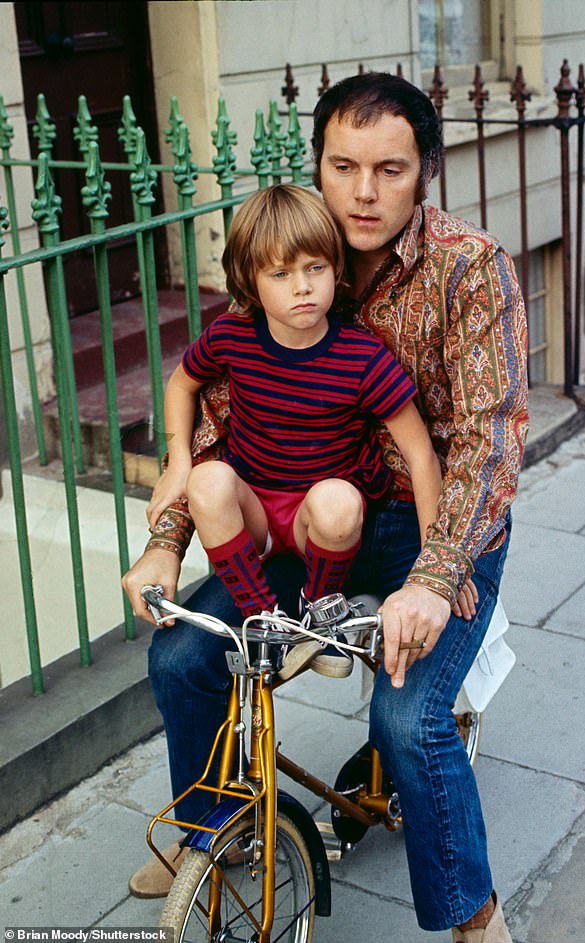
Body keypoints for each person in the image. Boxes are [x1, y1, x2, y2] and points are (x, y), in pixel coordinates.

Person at [123, 72, 528, 942]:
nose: (364, 190)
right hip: (306, 519)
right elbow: (222, 414)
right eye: (343, 165)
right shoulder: (294, 249)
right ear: (319, 165)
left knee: (406, 718)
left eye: (390, 168)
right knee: (181, 660)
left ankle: (476, 916)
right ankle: (209, 831)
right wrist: (167, 538)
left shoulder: (470, 267)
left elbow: (488, 442)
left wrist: (433, 574)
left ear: (426, 169)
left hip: (438, 529)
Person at [145, 183, 444, 681]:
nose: (302, 287)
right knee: (206, 480)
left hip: (321, 526)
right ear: (251, 281)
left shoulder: (361, 357)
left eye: (315, 268)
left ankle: (317, 612)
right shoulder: (230, 337)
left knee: (337, 500)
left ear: (335, 270)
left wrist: (436, 562)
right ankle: (264, 619)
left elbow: (420, 455)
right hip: (254, 512)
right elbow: (181, 384)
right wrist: (178, 463)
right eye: (280, 274)